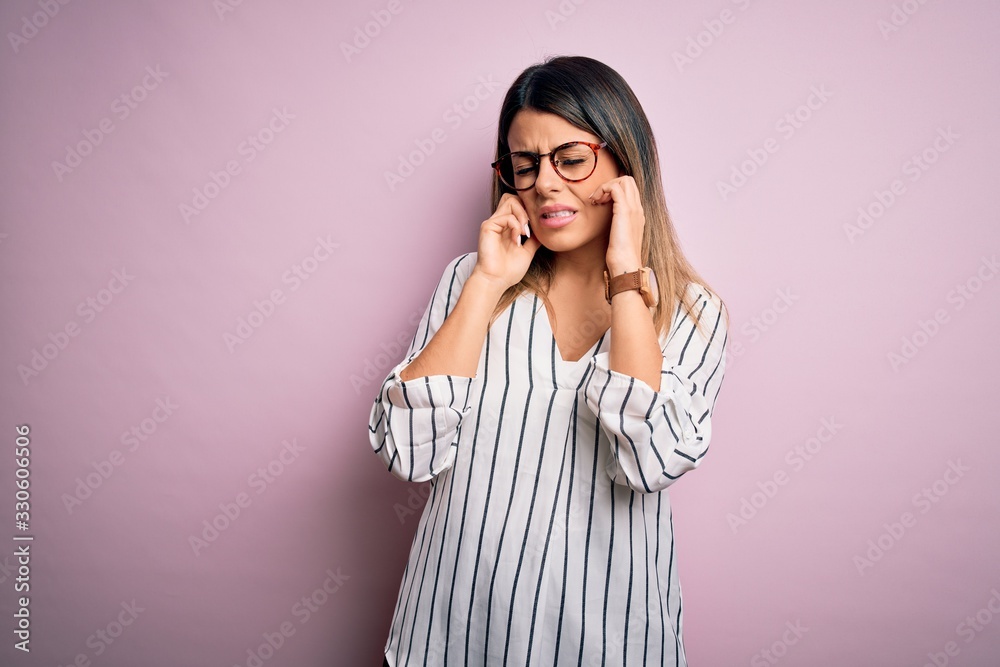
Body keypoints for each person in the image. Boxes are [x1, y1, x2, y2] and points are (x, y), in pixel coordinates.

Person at [369, 55, 729, 667]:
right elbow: (407, 449)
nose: (545, 184)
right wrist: (487, 283)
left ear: (625, 162)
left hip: (607, 642)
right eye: (526, 164)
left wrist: (626, 278)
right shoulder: (470, 280)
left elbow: (652, 461)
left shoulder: (692, 312)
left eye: (571, 158)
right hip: (448, 636)